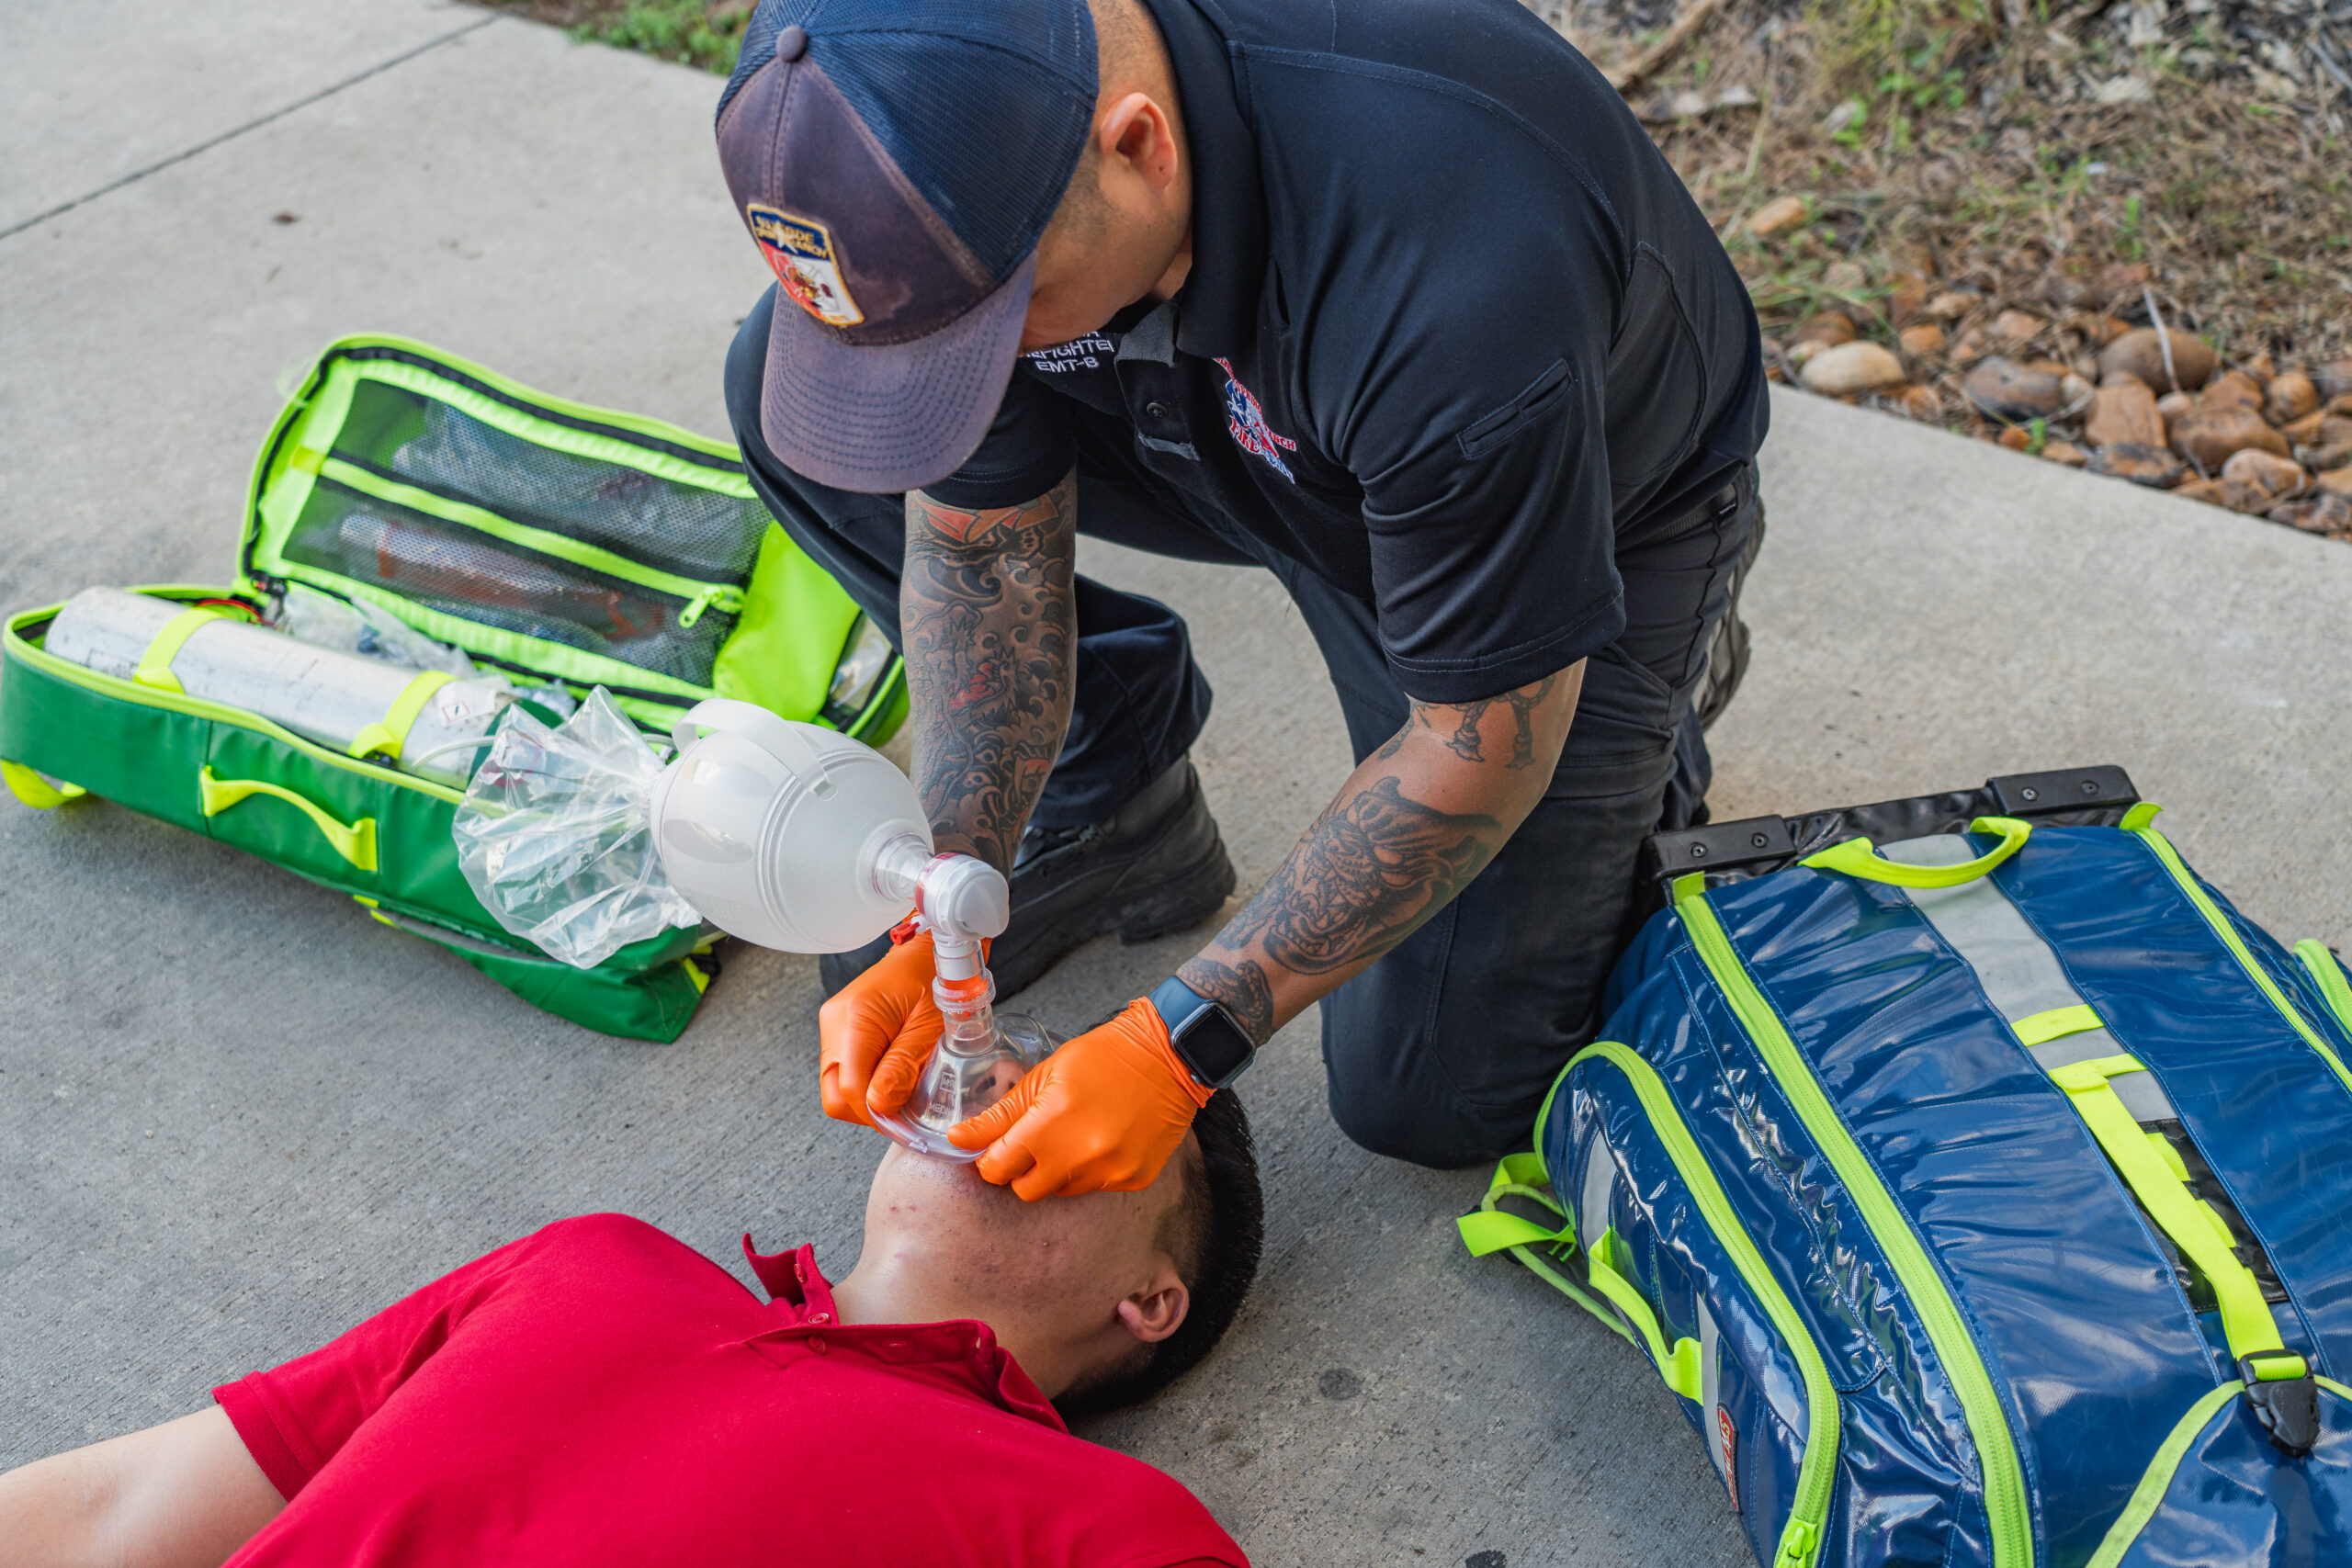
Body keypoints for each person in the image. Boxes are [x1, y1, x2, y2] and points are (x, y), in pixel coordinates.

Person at [717, 0, 1768, 1195]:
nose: (981, 367)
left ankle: (1638, 690)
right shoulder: (989, 142)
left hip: (1571, 500)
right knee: (789, 397)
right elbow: (983, 554)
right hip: (1237, 414)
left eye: (999, 324)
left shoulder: (1448, 265)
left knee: (1432, 1095)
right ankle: (1106, 791)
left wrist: (1180, 1040)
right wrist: (946, 886)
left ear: (1141, 146)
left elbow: (1474, 740)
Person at [0, 1096, 1264, 1568]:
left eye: (1106, 1129)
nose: (1023, 1099)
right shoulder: (597, 1263)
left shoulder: (1108, 1526)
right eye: (1026, 1071)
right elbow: (113, 1517)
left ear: (1149, 1299)